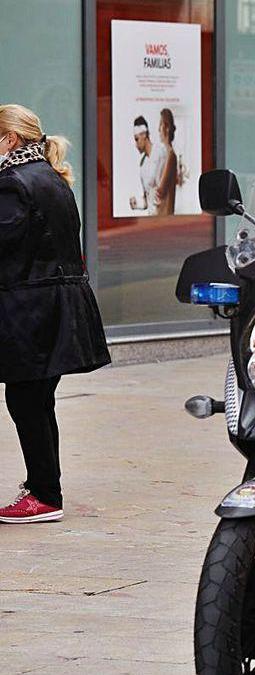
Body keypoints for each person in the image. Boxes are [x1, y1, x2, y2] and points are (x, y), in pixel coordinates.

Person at [0, 104, 110, 524]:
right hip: (56, 307)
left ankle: (45, 494)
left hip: (31, 309)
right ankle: (43, 488)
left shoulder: (14, 184)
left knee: (26, 400)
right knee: (38, 400)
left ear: (10, 139)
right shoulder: (51, 178)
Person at [128, 115, 164, 213]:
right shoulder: (143, 165)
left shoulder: (161, 154)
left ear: (144, 135)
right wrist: (137, 204)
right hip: (152, 220)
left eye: (137, 139)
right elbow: (148, 200)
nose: (136, 145)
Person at [155, 108, 178, 216]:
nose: (158, 130)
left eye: (160, 125)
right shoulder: (165, 154)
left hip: (164, 214)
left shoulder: (171, 156)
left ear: (167, 128)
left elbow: (160, 191)